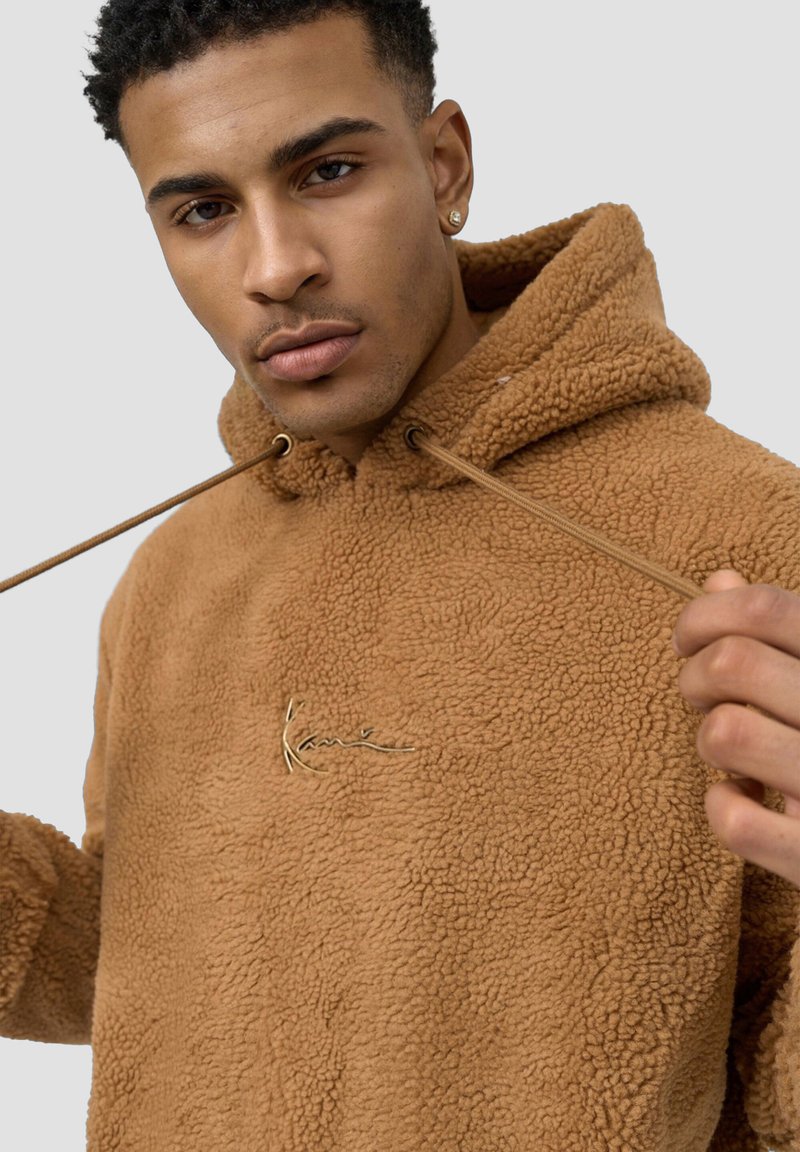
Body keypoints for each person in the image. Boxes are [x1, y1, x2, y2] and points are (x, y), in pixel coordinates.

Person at [0, 1, 798, 1148]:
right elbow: (141, 966)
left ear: (444, 165)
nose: (276, 267)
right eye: (204, 210)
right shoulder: (173, 575)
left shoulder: (743, 543)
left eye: (327, 171)